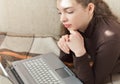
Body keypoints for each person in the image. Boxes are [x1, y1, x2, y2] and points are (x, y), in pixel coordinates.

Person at [57, 0, 120, 84]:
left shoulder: (110, 37)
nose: (62, 19)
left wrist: (79, 52)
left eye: (69, 11)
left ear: (90, 8)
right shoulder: (73, 23)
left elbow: (90, 82)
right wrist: (65, 45)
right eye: (59, 12)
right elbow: (66, 61)